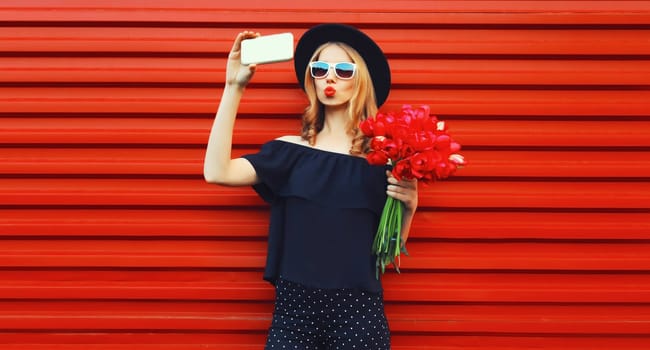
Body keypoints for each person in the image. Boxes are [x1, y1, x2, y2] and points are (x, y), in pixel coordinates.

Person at [204, 23, 418, 350]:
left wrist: (409, 207)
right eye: (320, 68)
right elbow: (217, 172)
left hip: (357, 314)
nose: (329, 77)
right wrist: (233, 87)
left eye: (343, 69)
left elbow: (386, 256)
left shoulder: (384, 161)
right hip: (294, 314)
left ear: (362, 80)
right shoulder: (289, 152)